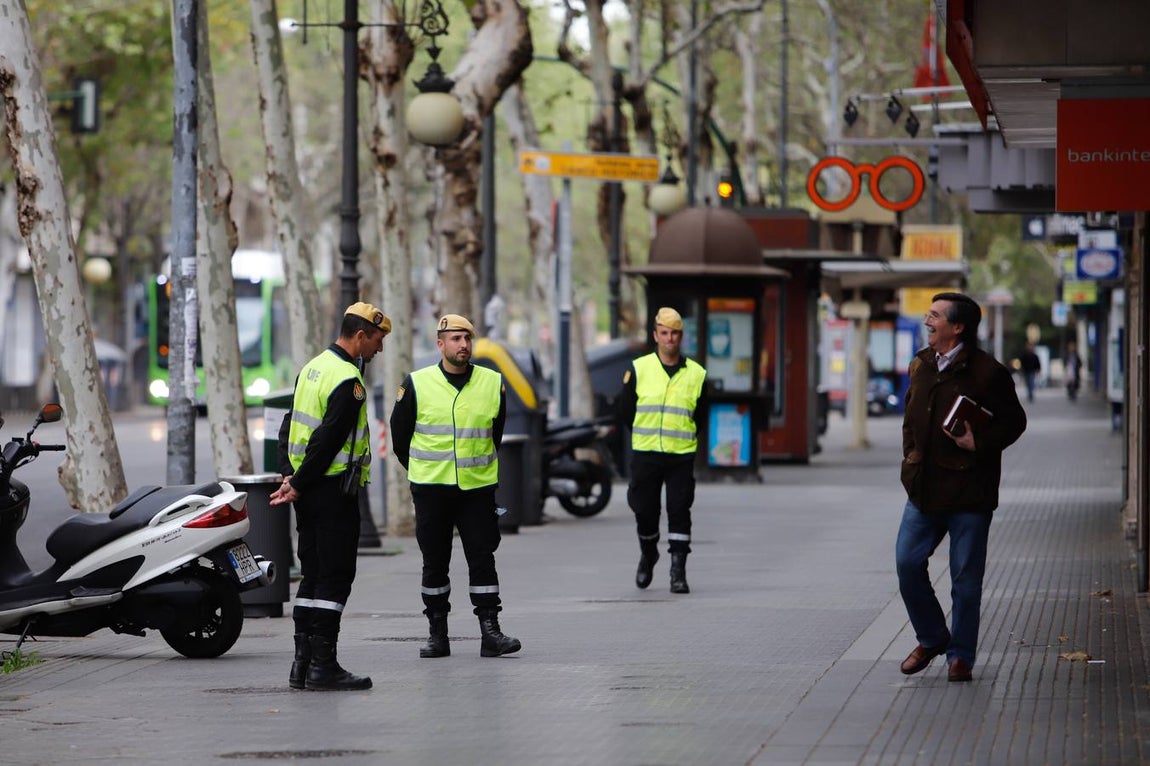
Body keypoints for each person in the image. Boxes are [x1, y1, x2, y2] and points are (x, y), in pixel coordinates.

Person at [896, 293, 1027, 683]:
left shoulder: (989, 372)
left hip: (970, 493)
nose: (927, 320)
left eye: (935, 316)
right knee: (906, 564)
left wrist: (979, 443)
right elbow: (909, 420)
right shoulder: (920, 364)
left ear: (958, 327)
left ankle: (961, 656)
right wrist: (910, 461)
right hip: (923, 490)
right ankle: (933, 636)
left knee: (965, 581)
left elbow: (1015, 423)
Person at [270, 301, 390, 692]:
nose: (379, 349)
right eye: (377, 340)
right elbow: (326, 440)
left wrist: (290, 477)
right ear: (359, 336)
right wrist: (300, 482)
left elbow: (288, 427)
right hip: (332, 490)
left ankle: (301, 665)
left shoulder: (313, 367)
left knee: (313, 574)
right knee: (335, 577)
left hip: (308, 490)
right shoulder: (348, 381)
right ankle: (324, 666)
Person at [389, 313, 521, 659]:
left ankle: (490, 632)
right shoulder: (416, 384)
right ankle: (437, 633)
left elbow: (496, 434)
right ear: (440, 344)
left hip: (477, 491)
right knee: (434, 563)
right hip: (432, 490)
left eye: (467, 339)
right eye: (456, 339)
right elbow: (400, 438)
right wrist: (422, 472)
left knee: (482, 559)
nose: (463, 345)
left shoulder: (493, 382)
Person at [615, 307, 707, 594]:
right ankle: (648, 552)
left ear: (682, 336)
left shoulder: (697, 374)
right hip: (646, 453)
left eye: (674, 333)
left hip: (680, 454)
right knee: (644, 510)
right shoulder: (639, 369)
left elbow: (700, 416)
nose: (670, 339)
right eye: (664, 333)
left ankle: (677, 571)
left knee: (679, 509)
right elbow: (626, 411)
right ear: (655, 335)